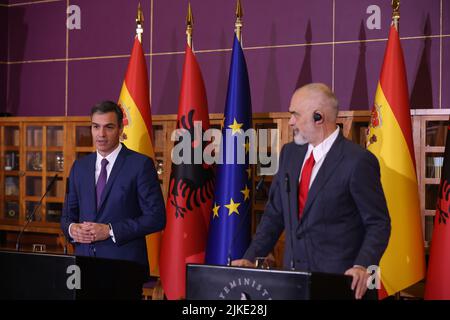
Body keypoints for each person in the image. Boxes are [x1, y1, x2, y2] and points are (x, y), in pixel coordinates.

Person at [233, 83, 391, 299]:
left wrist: (363, 265)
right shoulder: (289, 154)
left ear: (319, 117)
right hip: (293, 283)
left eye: (295, 114)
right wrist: (251, 257)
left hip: (339, 286)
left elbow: (378, 224)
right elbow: (274, 215)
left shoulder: (358, 161)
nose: (290, 122)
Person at [61, 101, 166, 273]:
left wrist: (110, 230)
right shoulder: (79, 167)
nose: (101, 134)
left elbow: (156, 218)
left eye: (108, 127)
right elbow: (67, 217)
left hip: (124, 267)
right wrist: (73, 229)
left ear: (120, 129)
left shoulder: (140, 165)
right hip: (83, 266)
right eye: (96, 127)